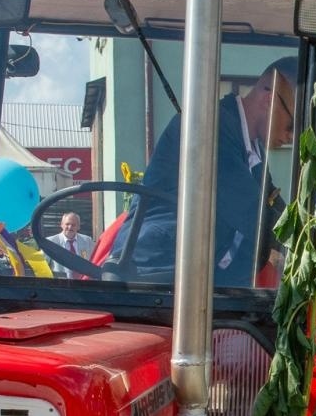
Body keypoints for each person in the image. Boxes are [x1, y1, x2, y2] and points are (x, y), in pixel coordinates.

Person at [127, 58, 297, 286]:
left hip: (202, 274)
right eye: (292, 126)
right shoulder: (210, 130)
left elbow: (276, 207)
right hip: (158, 274)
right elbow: (256, 218)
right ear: (269, 100)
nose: (290, 137)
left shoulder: (251, 148)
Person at [45, 212, 95, 277]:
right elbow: (43, 266)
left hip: (84, 283)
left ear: (78, 227)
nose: (70, 227)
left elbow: (94, 261)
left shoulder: (87, 241)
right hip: (61, 284)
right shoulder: (51, 242)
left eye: (73, 225)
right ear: (62, 225)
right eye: (67, 224)